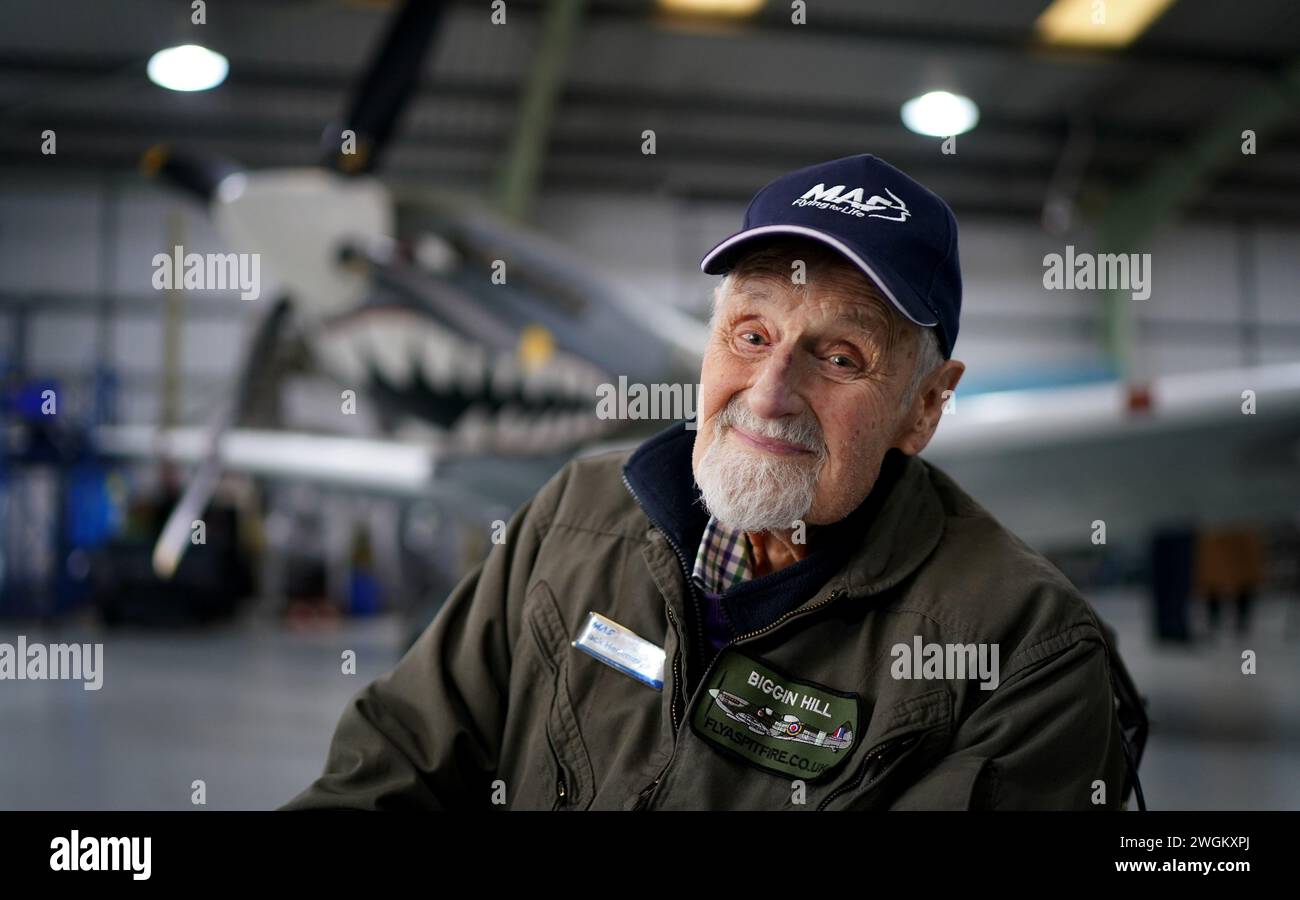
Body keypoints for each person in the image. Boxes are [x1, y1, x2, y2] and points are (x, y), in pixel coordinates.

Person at [283, 154, 1132, 810]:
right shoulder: (573, 517)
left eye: (840, 357)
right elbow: (396, 758)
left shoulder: (1029, 653)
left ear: (924, 409)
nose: (770, 395)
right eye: (751, 333)